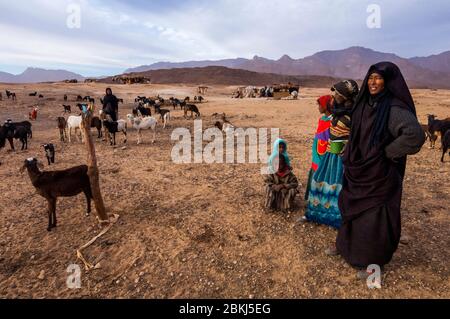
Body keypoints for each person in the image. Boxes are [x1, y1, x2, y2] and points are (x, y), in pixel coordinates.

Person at [332, 62, 426, 279]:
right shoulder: (364, 103)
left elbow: (415, 135)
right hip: (358, 169)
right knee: (352, 207)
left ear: (388, 81)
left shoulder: (393, 108)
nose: (373, 82)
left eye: (379, 78)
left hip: (380, 174)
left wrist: (388, 152)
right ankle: (345, 248)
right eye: (371, 77)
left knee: (375, 217)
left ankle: (373, 264)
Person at [303, 80, 359, 229]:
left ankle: (337, 219)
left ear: (346, 96)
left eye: (338, 94)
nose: (334, 97)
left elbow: (359, 138)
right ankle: (318, 214)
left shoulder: (354, 117)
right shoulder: (338, 114)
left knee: (338, 186)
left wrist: (347, 146)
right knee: (320, 181)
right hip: (330, 154)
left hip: (342, 157)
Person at [304, 95, 333, 201]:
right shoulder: (322, 119)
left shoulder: (333, 121)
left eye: (320, 104)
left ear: (326, 106)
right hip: (317, 154)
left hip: (325, 155)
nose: (318, 107)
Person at [264, 139, 299, 213]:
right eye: (276, 164)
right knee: (268, 188)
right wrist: (274, 186)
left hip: (284, 192)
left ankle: (286, 207)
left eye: (281, 164)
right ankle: (269, 205)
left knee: (293, 190)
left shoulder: (289, 174)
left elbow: (295, 183)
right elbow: (267, 182)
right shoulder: (272, 172)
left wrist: (284, 186)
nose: (278, 167)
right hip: (275, 192)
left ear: (285, 164)